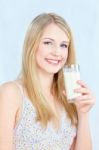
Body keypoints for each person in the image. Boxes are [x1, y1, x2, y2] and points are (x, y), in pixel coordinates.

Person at [0, 12, 95, 150]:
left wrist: (83, 113)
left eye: (63, 45)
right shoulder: (11, 93)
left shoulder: (70, 98)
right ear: (32, 45)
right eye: (48, 43)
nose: (57, 52)